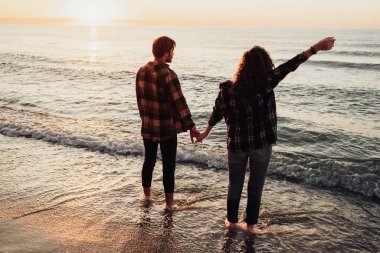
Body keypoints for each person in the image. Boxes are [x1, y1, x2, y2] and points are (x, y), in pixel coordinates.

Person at [196, 37, 335, 233]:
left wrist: (204, 133)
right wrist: (314, 49)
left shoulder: (227, 90)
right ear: (265, 65)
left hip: (236, 147)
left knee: (234, 185)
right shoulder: (266, 83)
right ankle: (251, 226)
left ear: (242, 66)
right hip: (261, 145)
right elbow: (290, 66)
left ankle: (231, 223)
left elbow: (216, 112)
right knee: (255, 187)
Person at [136, 36, 200, 212]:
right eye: (172, 50)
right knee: (168, 166)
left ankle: (146, 197)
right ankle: (169, 205)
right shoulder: (168, 75)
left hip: (148, 127)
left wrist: (145, 119)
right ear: (165, 53)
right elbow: (180, 103)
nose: (173, 54)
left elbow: (140, 101)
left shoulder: (141, 71)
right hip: (166, 129)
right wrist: (192, 127)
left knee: (148, 161)